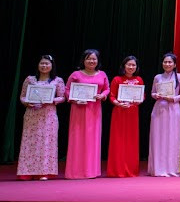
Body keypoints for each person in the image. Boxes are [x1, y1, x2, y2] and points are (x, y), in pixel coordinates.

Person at [17, 55, 65, 180]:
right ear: (38, 65)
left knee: (46, 142)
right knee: (29, 142)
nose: (44, 66)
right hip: (32, 114)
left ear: (52, 66)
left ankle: (44, 172)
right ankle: (26, 172)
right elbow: (22, 96)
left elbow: (62, 97)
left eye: (47, 64)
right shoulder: (30, 79)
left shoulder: (57, 80)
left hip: (48, 116)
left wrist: (51, 100)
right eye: (42, 63)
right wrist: (27, 102)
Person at [65, 49, 109, 179]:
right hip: (78, 109)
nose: (91, 61)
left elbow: (107, 89)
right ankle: (75, 171)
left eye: (94, 59)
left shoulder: (102, 74)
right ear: (83, 60)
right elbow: (67, 90)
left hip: (94, 110)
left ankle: (91, 171)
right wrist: (74, 99)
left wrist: (102, 95)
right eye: (88, 58)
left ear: (98, 61)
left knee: (92, 139)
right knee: (77, 138)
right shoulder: (76, 74)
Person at [148, 52, 180, 177]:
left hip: (173, 109)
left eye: (170, 62)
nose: (167, 64)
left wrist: (174, 98)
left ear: (174, 64)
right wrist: (156, 95)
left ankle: (172, 168)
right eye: (165, 62)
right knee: (158, 137)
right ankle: (157, 168)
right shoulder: (157, 77)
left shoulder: (179, 77)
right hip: (159, 109)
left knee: (172, 137)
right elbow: (152, 93)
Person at [107, 55, 144, 178]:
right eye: (129, 65)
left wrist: (140, 100)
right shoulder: (117, 79)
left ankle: (131, 169)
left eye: (133, 65)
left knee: (131, 141)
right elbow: (112, 96)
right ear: (124, 66)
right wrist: (118, 103)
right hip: (119, 112)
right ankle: (117, 169)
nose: (131, 67)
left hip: (132, 113)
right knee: (118, 140)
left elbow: (142, 96)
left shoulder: (139, 79)